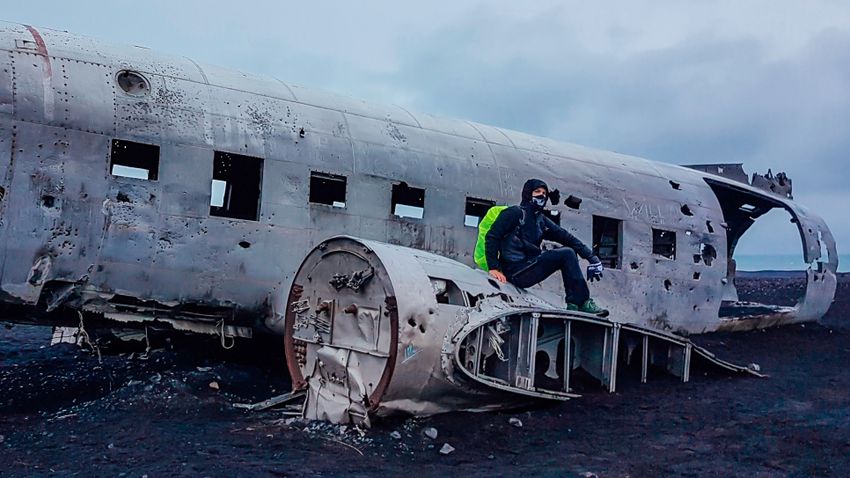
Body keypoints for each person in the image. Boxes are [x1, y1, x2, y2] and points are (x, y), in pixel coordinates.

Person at [484, 178, 609, 316]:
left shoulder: (541, 220)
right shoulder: (514, 213)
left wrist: (592, 258)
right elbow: (492, 236)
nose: (541, 195)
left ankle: (575, 303)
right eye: (537, 191)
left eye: (544, 192)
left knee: (568, 252)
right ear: (528, 193)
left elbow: (567, 238)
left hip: (529, 266)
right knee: (567, 253)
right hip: (514, 271)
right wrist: (494, 267)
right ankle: (582, 303)